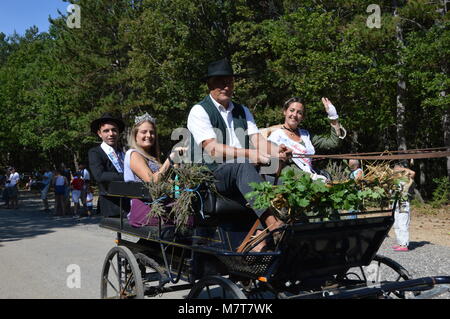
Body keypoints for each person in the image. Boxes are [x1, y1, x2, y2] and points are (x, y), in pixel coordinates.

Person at [187, 58, 291, 252]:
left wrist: (279, 151)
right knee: (243, 166)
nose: (226, 86)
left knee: (284, 171)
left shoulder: (243, 111)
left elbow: (258, 141)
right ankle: (273, 225)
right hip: (214, 176)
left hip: (244, 172)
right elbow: (213, 149)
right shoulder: (199, 111)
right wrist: (250, 155)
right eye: (220, 81)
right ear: (210, 84)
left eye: (229, 81)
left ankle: (259, 240)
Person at [124, 113, 185, 227]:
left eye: (152, 132)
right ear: (135, 135)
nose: (149, 135)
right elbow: (152, 181)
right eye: (144, 132)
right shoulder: (133, 154)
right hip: (145, 208)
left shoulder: (152, 158)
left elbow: (167, 182)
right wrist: (170, 159)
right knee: (189, 219)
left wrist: (177, 165)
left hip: (161, 203)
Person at [266, 97, 346, 181]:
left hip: (310, 177)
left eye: (299, 112)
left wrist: (333, 117)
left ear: (302, 117)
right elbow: (279, 167)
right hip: (292, 182)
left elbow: (333, 143)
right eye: (292, 110)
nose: (294, 115)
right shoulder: (276, 136)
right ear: (285, 112)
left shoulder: (306, 135)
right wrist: (310, 179)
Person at [88, 113, 128, 217]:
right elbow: (99, 176)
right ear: (99, 133)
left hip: (128, 201)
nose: (111, 133)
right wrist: (128, 176)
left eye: (114, 130)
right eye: (106, 131)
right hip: (111, 205)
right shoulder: (95, 152)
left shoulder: (122, 153)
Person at [392, 163, 415, 252]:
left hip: (403, 204)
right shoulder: (394, 180)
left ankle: (404, 244)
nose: (395, 170)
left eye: (397, 169)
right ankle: (400, 242)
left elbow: (413, 172)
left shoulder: (407, 179)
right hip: (396, 204)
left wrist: (402, 168)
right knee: (396, 224)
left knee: (402, 224)